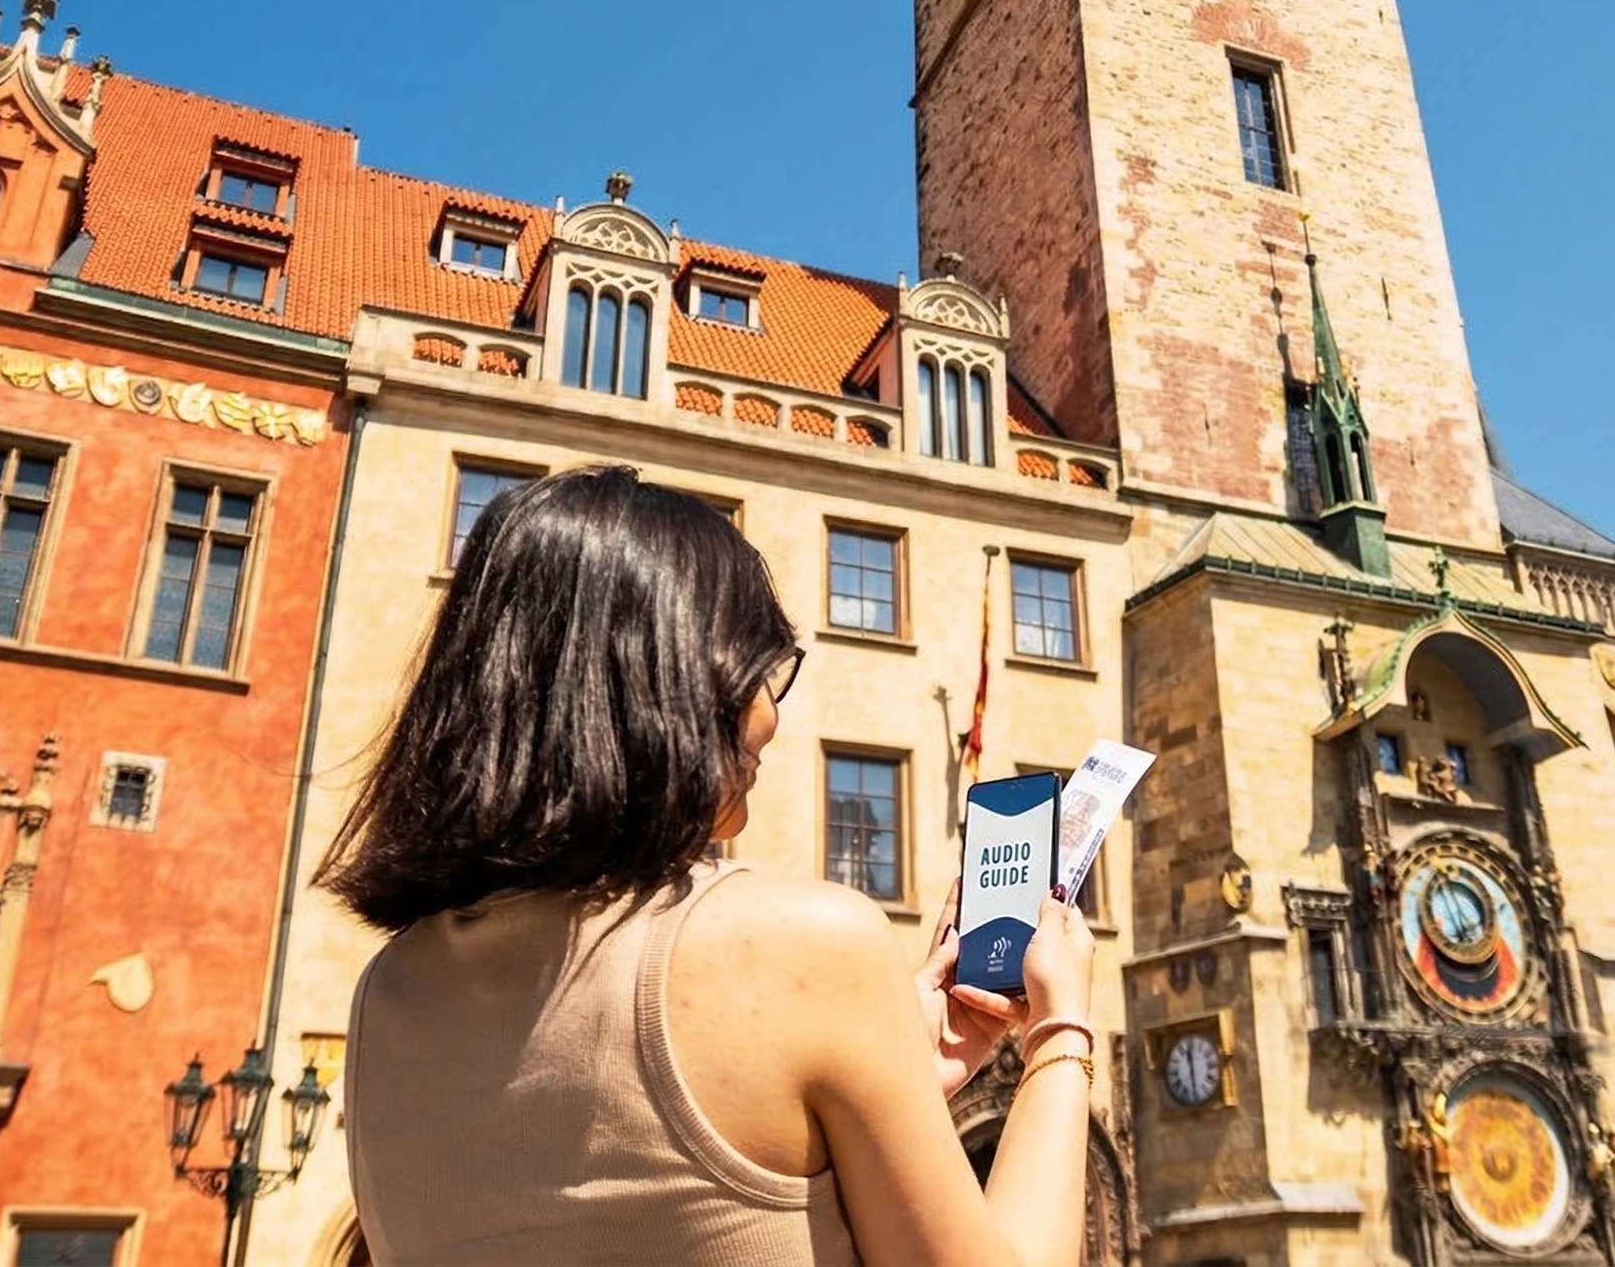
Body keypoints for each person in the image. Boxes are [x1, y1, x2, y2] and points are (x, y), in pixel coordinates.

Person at [319, 465, 1098, 1267]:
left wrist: (869, 1082)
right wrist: (1059, 1033)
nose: (771, 713)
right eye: (762, 671)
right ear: (666, 679)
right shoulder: (809, 943)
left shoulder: (389, 993)